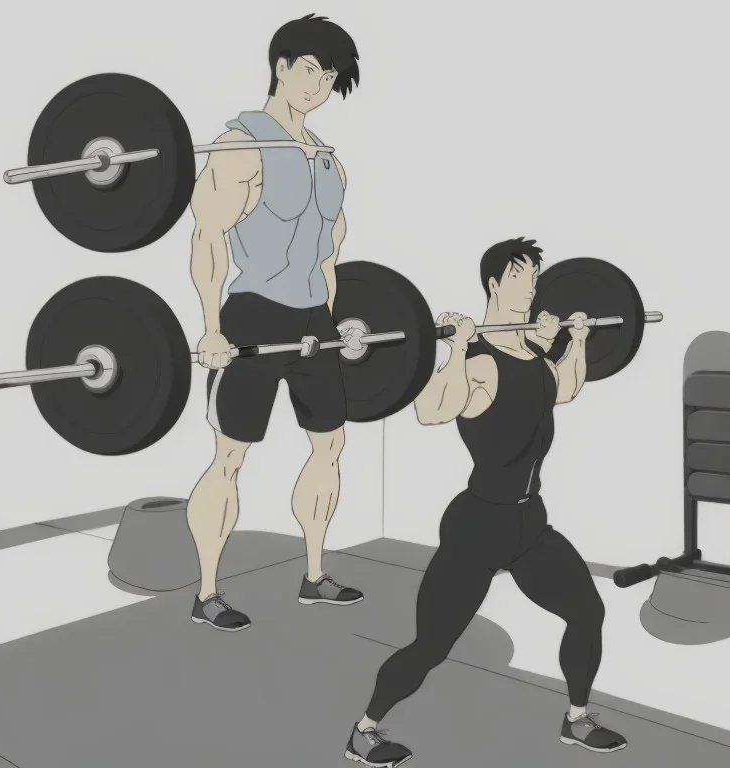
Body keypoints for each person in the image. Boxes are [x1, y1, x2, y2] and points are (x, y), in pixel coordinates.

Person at [344, 238, 628, 767]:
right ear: (495, 285)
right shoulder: (477, 361)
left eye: (534, 281)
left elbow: (564, 389)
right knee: (430, 647)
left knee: (587, 612)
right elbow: (430, 411)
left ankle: (577, 719)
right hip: (478, 527)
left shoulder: (534, 351)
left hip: (529, 525)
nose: (530, 290)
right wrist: (455, 347)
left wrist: (577, 340)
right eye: (520, 279)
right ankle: (365, 730)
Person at [187, 14, 364, 632]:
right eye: (312, 69)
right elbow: (208, 236)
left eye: (331, 76)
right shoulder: (241, 146)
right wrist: (211, 327)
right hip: (253, 316)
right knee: (231, 454)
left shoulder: (329, 162)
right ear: (282, 65)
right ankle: (207, 591)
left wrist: (340, 324)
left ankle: (314, 575)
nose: (320, 85)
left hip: (315, 318)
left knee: (330, 445)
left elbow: (330, 254)